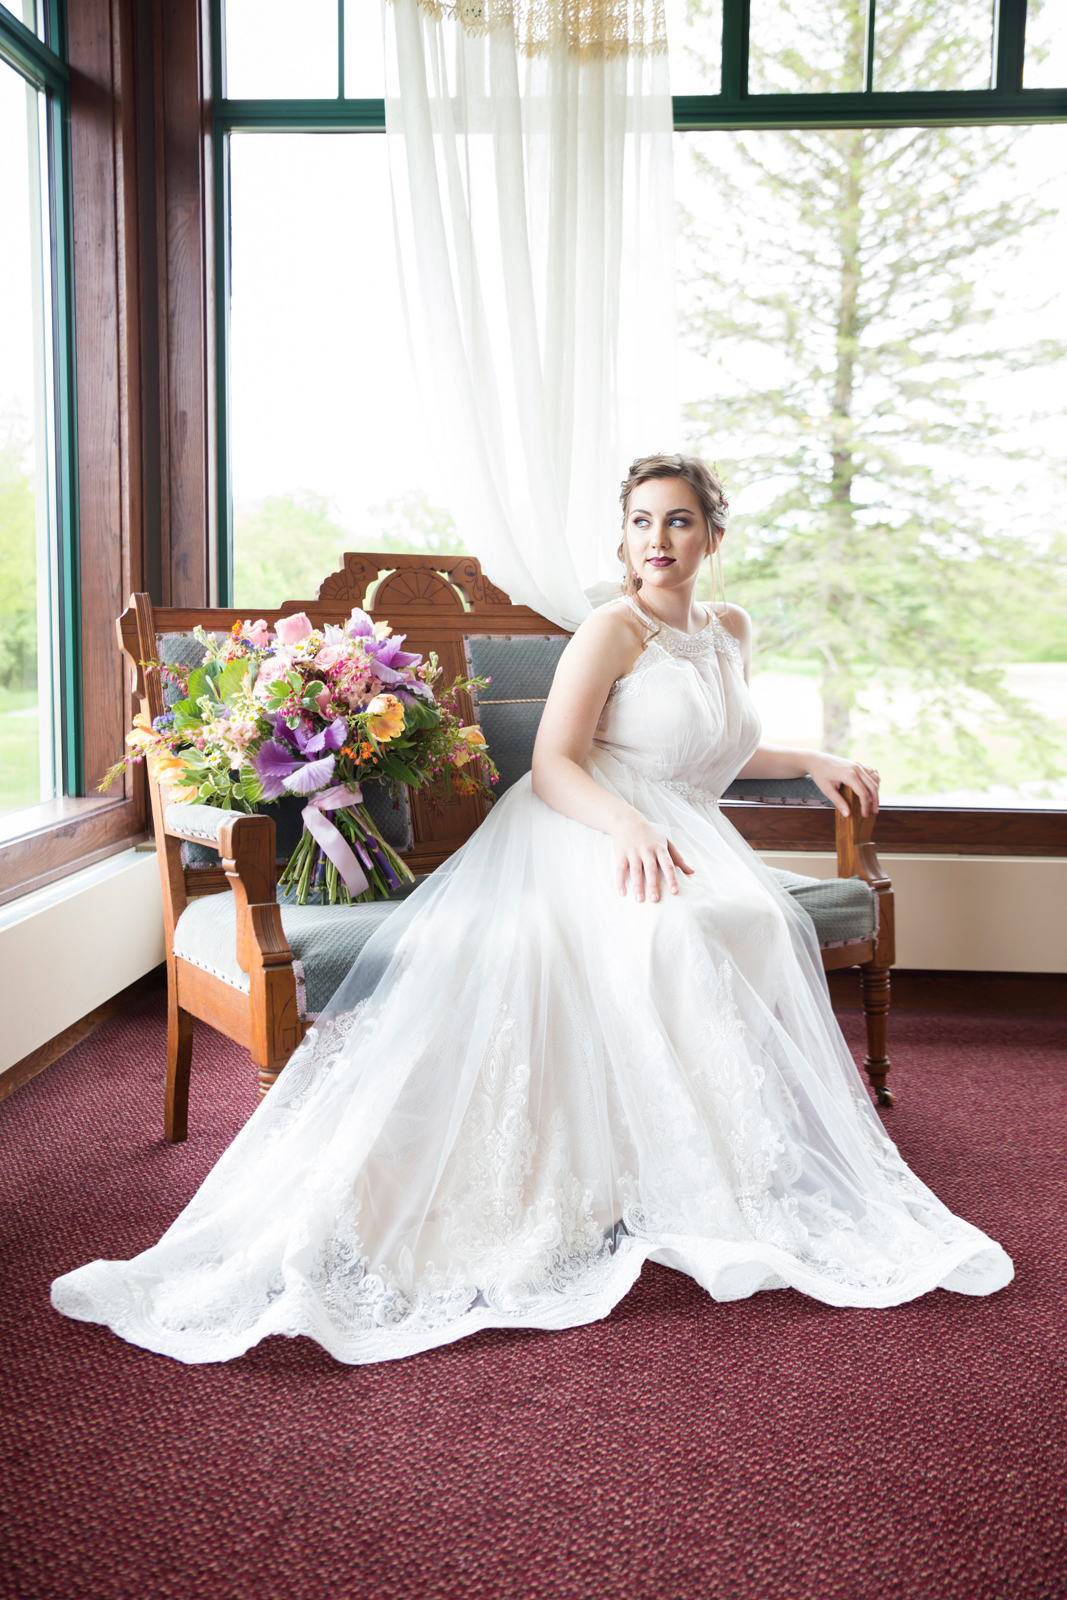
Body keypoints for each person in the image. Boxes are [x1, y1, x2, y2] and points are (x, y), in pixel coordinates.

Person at [52, 454, 1012, 1366]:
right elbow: (555, 760)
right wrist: (626, 829)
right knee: (673, 932)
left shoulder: (730, 630)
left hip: (683, 826)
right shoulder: (612, 630)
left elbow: (709, 740)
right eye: (640, 522)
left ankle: (719, 1158)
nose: (656, 540)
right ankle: (638, 1170)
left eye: (677, 521)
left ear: (713, 534)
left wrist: (807, 759)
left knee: (758, 922)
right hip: (584, 826)